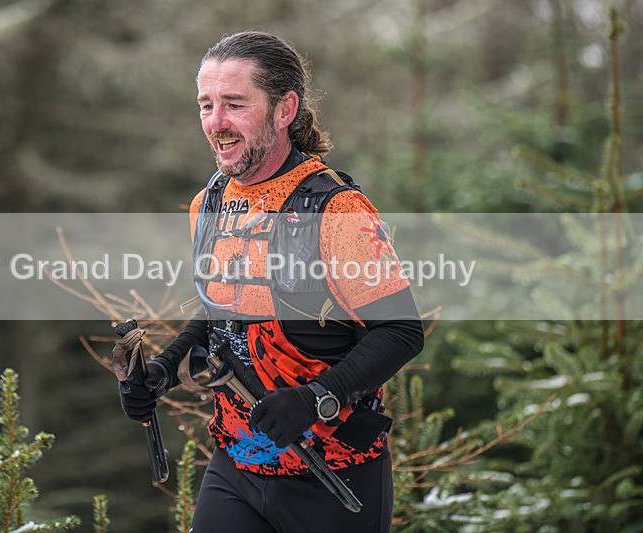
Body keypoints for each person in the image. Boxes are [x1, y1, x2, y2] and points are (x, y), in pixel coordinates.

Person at [119, 31, 424, 532]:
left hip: (334, 479)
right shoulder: (210, 203)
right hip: (235, 467)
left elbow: (401, 332)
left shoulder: (336, 210)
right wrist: (165, 369)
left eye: (235, 104)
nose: (216, 123)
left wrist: (315, 398)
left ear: (285, 109)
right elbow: (227, 308)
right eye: (206, 105)